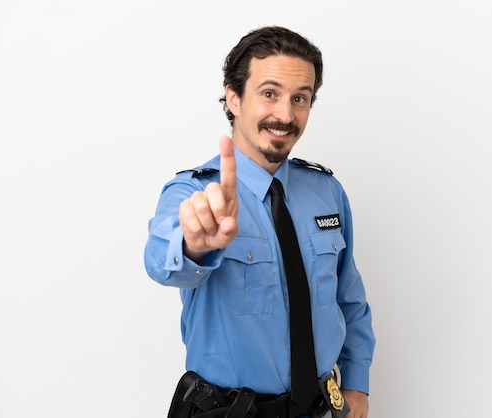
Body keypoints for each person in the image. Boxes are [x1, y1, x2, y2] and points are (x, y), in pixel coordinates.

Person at [144, 25, 375, 418]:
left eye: (299, 98)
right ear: (234, 98)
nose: (285, 115)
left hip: (321, 409)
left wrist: (356, 382)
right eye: (269, 94)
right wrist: (196, 246)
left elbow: (349, 299)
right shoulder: (194, 193)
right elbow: (161, 261)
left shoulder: (327, 192)